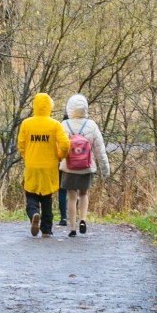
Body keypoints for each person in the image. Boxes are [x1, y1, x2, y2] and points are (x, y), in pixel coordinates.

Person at [15, 92, 69, 238]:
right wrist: (59, 156)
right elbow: (65, 144)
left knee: (31, 195)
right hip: (49, 167)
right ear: (49, 107)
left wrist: (27, 157)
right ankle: (46, 229)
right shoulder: (55, 125)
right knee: (46, 198)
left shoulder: (26, 123)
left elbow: (20, 144)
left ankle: (34, 213)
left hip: (32, 165)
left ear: (35, 106)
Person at [57, 93, 106, 237]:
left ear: (69, 108)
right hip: (86, 167)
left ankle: (72, 228)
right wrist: (105, 169)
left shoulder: (63, 125)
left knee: (71, 197)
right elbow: (100, 149)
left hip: (69, 167)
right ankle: (83, 219)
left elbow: (57, 147)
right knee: (84, 194)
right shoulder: (91, 125)